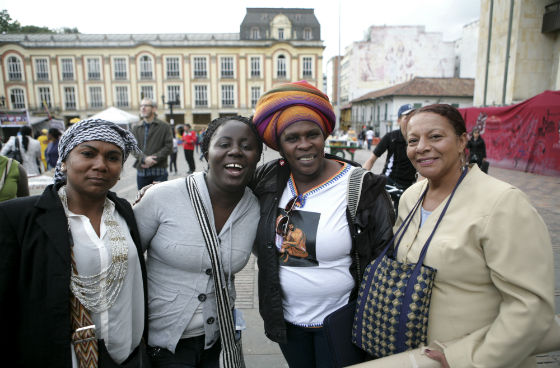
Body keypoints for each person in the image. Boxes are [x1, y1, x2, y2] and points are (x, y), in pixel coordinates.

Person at [396, 104, 554, 367]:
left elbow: (531, 306)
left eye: (435, 136)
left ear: (461, 142)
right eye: (413, 140)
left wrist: (469, 360)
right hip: (413, 355)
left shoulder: (503, 202)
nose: (421, 146)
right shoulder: (411, 197)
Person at [250, 80, 394, 368]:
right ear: (279, 145)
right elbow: (224, 189)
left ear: (324, 135)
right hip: (287, 322)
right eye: (292, 138)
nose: (305, 144)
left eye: (312, 134)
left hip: (342, 322)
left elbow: (384, 257)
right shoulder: (268, 179)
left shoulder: (361, 188)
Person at [0, 118, 150, 367]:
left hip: (128, 356)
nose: (101, 165)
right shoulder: (18, 218)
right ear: (64, 160)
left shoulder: (123, 211)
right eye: (88, 153)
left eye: (113, 158)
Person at [133, 116, 262, 367]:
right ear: (205, 152)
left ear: (257, 157)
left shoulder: (256, 208)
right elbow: (125, 262)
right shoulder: (161, 197)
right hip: (162, 343)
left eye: (247, 146)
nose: (235, 151)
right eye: (224, 144)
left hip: (218, 340)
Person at [363, 103, 417, 211]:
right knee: (380, 211)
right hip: (390, 181)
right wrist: (361, 178)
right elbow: (371, 160)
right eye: (407, 118)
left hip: (409, 185)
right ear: (398, 121)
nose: (410, 121)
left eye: (413, 117)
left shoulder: (419, 139)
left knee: (404, 216)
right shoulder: (391, 137)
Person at [132, 98, 174, 189]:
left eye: (146, 105)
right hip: (142, 171)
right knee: (142, 201)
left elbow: (169, 146)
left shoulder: (164, 126)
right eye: (141, 106)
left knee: (160, 200)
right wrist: (144, 159)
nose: (143, 108)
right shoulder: (136, 127)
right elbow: (133, 147)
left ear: (154, 108)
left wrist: (153, 159)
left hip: (159, 172)